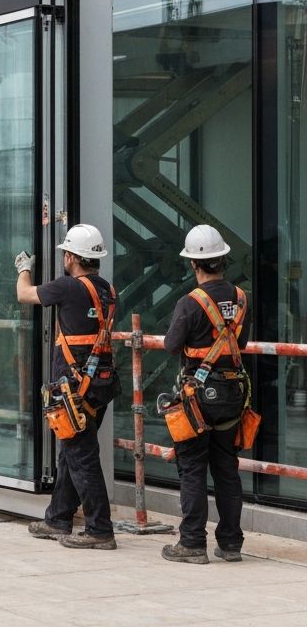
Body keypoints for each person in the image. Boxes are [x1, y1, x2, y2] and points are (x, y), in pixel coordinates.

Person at [16, 223, 119, 550]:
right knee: (72, 452)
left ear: (73, 256)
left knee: (81, 454)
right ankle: (58, 518)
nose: (63, 258)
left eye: (65, 253)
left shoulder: (68, 287)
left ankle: (100, 529)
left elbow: (25, 294)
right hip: (99, 383)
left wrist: (24, 269)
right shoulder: (108, 289)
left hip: (73, 386)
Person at [160, 225, 251, 565]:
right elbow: (239, 345)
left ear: (193, 265)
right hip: (232, 394)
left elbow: (171, 345)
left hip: (197, 397)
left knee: (193, 468)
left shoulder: (190, 302)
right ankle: (230, 544)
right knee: (227, 469)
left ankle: (192, 543)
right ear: (223, 259)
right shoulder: (242, 298)